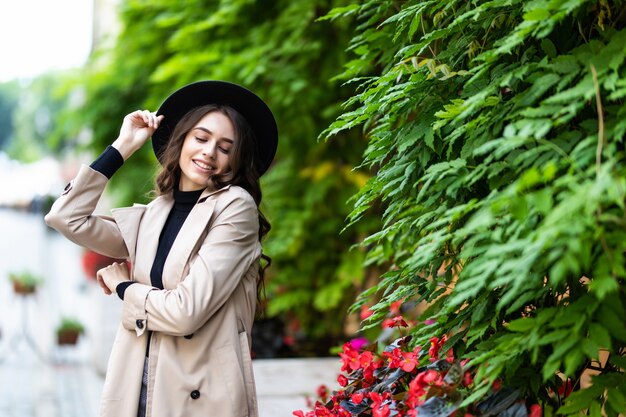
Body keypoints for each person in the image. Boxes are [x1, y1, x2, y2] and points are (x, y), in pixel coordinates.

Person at [45, 80, 278, 417]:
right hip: (136, 389)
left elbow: (186, 312)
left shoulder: (234, 207)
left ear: (235, 161)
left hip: (198, 397)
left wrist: (124, 287)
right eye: (201, 138)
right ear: (181, 140)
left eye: (225, 148)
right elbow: (66, 217)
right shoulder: (156, 212)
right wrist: (122, 147)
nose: (209, 152)